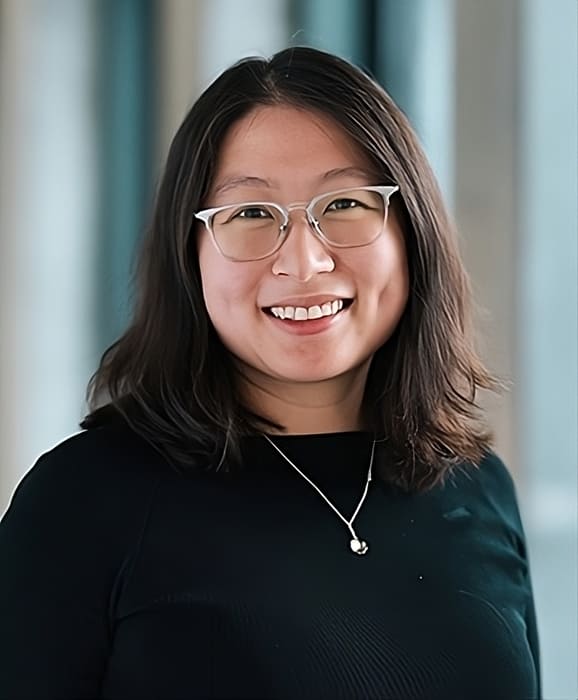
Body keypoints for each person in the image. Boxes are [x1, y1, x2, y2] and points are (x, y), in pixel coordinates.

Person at [0, 46, 541, 699]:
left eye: (345, 204)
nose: (304, 261)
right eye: (251, 214)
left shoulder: (478, 488)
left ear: (411, 231)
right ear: (189, 253)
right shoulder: (81, 505)